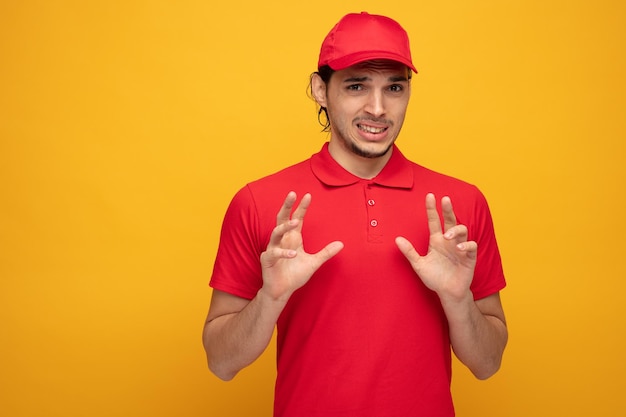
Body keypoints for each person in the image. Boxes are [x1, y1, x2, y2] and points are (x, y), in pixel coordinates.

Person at [202, 11, 507, 417]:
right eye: (357, 85)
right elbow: (221, 363)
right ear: (320, 89)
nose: (378, 108)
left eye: (394, 87)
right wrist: (270, 297)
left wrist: (457, 300)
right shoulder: (261, 202)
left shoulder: (458, 206)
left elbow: (488, 364)